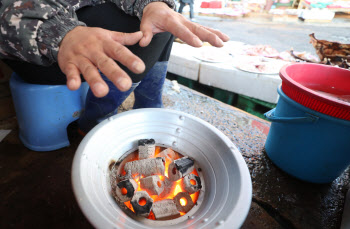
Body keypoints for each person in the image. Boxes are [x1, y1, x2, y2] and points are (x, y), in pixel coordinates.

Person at [0, 0, 229, 134]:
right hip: (30, 41)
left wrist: (150, 3)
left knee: (163, 18)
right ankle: (93, 122)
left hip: (79, 15)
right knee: (139, 30)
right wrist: (60, 33)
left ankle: (149, 103)